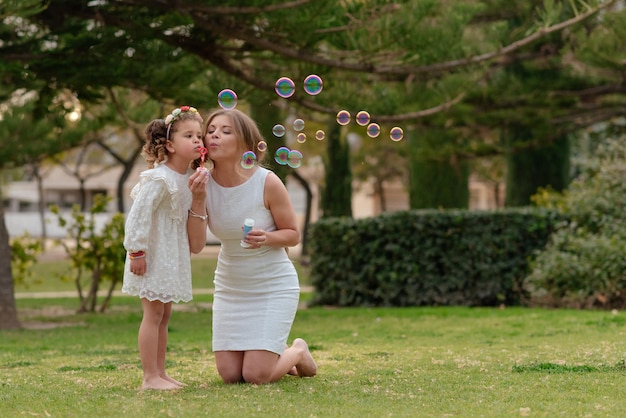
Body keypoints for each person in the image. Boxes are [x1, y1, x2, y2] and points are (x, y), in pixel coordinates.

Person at [188, 108, 317, 384]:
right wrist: (198, 200)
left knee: (255, 375)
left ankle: (297, 350)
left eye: (225, 131)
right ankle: (276, 352)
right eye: (210, 131)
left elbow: (293, 234)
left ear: (245, 143)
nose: (214, 136)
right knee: (231, 375)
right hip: (231, 287)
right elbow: (196, 245)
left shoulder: (266, 181)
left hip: (272, 284)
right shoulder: (202, 184)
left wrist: (267, 238)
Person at [122, 105, 208, 390]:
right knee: (153, 314)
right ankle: (149, 378)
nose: (198, 140)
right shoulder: (159, 178)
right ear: (169, 144)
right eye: (189, 135)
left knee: (164, 314)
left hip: (170, 255)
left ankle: (161, 373)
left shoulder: (186, 179)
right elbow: (138, 215)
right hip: (151, 254)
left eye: (199, 135)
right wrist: (136, 251)